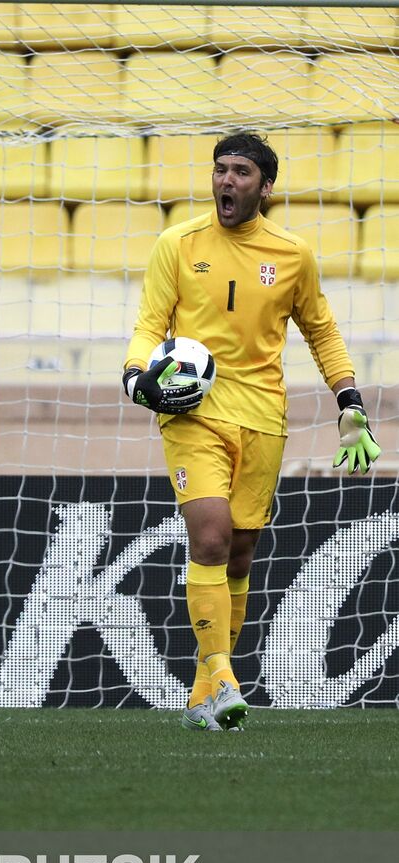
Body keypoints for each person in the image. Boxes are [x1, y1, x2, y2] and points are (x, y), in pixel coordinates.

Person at [123, 131, 381, 732]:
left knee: (239, 551)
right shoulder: (177, 244)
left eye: (240, 172)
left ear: (265, 187)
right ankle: (225, 674)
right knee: (209, 536)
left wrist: (349, 401)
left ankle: (201, 693)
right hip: (193, 413)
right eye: (220, 170)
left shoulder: (292, 254)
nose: (226, 182)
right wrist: (137, 371)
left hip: (264, 417)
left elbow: (322, 331)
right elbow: (148, 325)